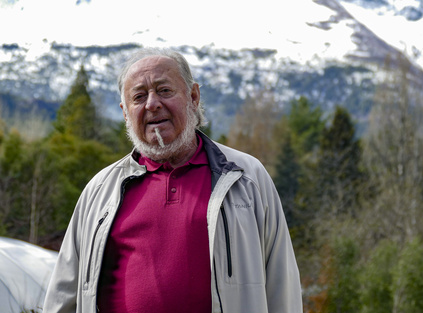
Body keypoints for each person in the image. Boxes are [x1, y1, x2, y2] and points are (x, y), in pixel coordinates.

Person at [43, 47, 302, 313]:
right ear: (125, 112)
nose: (152, 104)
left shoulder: (246, 178)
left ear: (193, 97)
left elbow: (282, 284)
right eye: (139, 96)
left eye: (164, 90)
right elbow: (64, 295)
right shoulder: (99, 191)